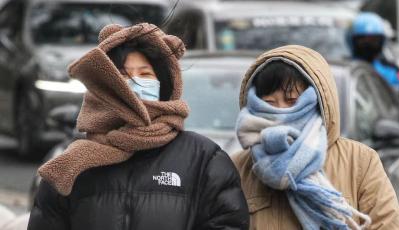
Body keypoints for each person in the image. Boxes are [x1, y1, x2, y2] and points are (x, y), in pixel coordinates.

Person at [28, 23, 249, 230]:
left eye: (145, 74)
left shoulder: (204, 158)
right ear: (106, 87)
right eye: (123, 76)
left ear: (164, 85)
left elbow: (227, 222)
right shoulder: (72, 165)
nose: (134, 84)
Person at [232, 45, 399, 229]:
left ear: (318, 102)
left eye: (293, 101)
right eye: (269, 103)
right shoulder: (237, 168)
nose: (280, 112)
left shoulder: (360, 162)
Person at [349, 12, 399, 92]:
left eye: (374, 41)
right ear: (354, 41)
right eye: (363, 41)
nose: (368, 45)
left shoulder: (392, 71)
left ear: (382, 41)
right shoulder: (347, 73)